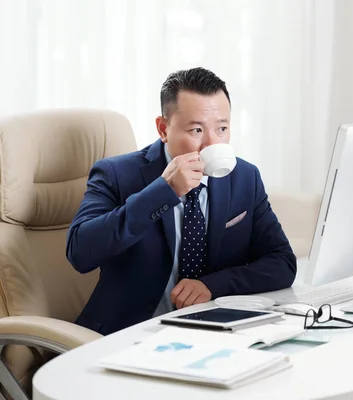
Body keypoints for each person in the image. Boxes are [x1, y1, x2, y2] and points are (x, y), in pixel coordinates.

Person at [66, 67, 296, 335]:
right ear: (163, 129)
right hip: (128, 335)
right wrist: (162, 191)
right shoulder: (116, 174)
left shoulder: (244, 178)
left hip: (208, 335)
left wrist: (213, 285)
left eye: (222, 128)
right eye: (197, 130)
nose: (211, 144)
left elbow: (282, 263)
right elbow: (80, 253)